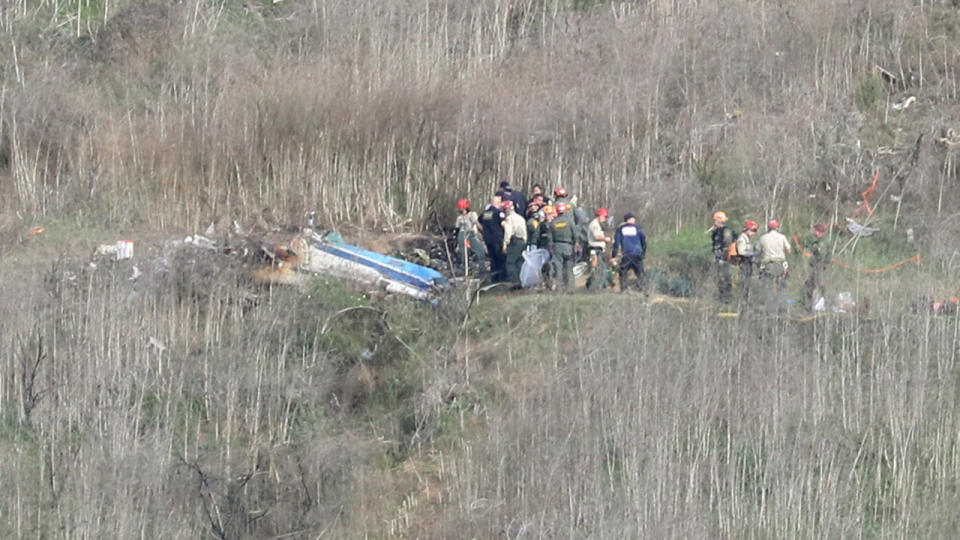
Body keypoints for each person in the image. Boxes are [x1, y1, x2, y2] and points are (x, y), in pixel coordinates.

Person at [756, 219, 792, 313]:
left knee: (768, 287)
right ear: (777, 227)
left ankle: (770, 309)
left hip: (769, 265)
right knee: (782, 286)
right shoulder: (782, 237)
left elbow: (758, 251)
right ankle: (782, 308)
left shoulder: (763, 238)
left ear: (768, 227)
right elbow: (788, 251)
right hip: (781, 264)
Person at [612, 212, 647, 294]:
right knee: (640, 273)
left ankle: (624, 289)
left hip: (627, 254)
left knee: (623, 272)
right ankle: (644, 290)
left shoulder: (620, 229)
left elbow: (616, 243)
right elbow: (644, 241)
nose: (634, 220)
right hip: (637, 253)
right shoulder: (638, 228)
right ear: (629, 219)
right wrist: (643, 253)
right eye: (633, 218)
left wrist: (614, 254)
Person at [802, 224, 831, 310]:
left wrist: (812, 259)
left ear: (818, 232)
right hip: (818, 267)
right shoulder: (819, 241)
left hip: (819, 267)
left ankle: (820, 305)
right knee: (809, 286)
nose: (813, 232)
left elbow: (821, 255)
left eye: (814, 231)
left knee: (818, 285)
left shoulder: (822, 242)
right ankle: (810, 306)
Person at [479, 192, 506, 282]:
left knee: (492, 260)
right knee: (500, 259)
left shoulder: (485, 213)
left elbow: (479, 221)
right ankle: (501, 279)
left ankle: (494, 279)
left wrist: (483, 231)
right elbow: (503, 224)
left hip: (488, 240)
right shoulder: (499, 213)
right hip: (497, 239)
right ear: (499, 203)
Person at [711, 211, 736, 303]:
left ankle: (727, 298)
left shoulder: (726, 232)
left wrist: (724, 258)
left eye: (716, 220)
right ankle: (721, 297)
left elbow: (727, 246)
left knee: (726, 279)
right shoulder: (716, 232)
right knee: (720, 280)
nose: (714, 222)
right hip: (718, 259)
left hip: (725, 260)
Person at [551, 202, 577, 292]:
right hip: (568, 246)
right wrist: (576, 243)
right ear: (565, 211)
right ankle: (570, 288)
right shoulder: (570, 221)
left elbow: (550, 238)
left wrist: (551, 247)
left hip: (557, 246)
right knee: (569, 268)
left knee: (558, 268)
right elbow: (575, 234)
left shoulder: (553, 222)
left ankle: (559, 288)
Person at [454, 198, 486, 270]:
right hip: (462, 234)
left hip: (471, 234)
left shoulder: (472, 215)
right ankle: (465, 266)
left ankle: (482, 267)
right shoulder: (459, 218)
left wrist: (484, 232)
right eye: (460, 209)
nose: (462, 211)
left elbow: (477, 223)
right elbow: (457, 228)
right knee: (463, 252)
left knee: (480, 250)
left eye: (463, 209)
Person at [501, 200, 528, 285]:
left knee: (510, 262)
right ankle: (522, 281)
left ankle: (515, 282)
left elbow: (508, 232)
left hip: (515, 241)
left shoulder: (509, 219)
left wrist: (505, 243)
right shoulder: (521, 218)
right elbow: (525, 233)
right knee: (519, 262)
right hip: (522, 241)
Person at [586, 207, 613, 291]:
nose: (605, 219)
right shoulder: (595, 224)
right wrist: (606, 239)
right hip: (595, 249)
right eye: (605, 217)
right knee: (597, 269)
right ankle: (594, 286)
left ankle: (599, 285)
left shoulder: (597, 224)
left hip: (599, 250)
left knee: (601, 268)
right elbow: (596, 237)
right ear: (600, 216)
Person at [734, 220, 760, 303]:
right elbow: (741, 252)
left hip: (748, 263)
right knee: (744, 283)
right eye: (753, 230)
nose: (754, 233)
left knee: (747, 283)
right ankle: (743, 301)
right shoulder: (742, 238)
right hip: (744, 263)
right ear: (747, 229)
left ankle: (745, 300)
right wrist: (753, 254)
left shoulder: (747, 239)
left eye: (755, 230)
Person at [538, 205, 557, 288]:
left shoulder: (555, 224)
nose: (548, 216)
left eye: (549, 214)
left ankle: (553, 282)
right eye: (547, 214)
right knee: (545, 266)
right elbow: (538, 236)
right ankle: (545, 282)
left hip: (554, 247)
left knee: (553, 266)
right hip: (544, 247)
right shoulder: (541, 225)